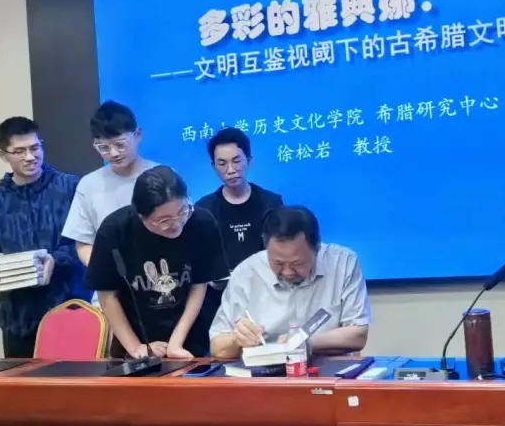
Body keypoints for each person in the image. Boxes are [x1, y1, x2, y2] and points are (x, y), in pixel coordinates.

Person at [85, 165, 227, 358]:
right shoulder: (115, 231)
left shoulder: (202, 223)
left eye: (182, 211)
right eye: (164, 220)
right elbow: (107, 295)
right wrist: (136, 347)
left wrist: (176, 343)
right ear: (141, 215)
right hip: (135, 339)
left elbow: (199, 284)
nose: (176, 224)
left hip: (193, 337)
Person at [0, 117, 84, 358]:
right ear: (4, 156)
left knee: (73, 380)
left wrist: (55, 259)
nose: (30, 157)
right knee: (21, 380)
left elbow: (84, 242)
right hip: (18, 317)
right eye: (19, 151)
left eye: (35, 148)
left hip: (69, 306)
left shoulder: (70, 187)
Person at [210, 205, 371, 359]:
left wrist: (301, 343)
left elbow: (358, 334)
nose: (287, 272)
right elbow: (217, 347)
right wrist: (237, 339)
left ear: (317, 248)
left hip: (331, 369)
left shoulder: (342, 263)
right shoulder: (246, 273)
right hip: (268, 373)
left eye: (297, 263)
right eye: (278, 263)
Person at [194, 127, 283, 337]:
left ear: (248, 161)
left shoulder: (271, 203)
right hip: (220, 302)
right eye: (222, 163)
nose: (231, 169)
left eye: (236, 161)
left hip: (266, 297)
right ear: (213, 166)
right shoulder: (204, 210)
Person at [62, 101, 157, 268]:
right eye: (104, 148)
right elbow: (84, 242)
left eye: (120, 144)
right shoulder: (88, 185)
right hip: (111, 277)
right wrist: (104, 272)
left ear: (137, 135)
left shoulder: (163, 176)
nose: (114, 153)